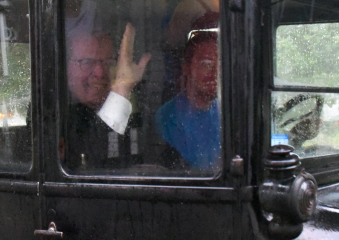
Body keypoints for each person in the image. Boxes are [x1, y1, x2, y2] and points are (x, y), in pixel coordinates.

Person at [64, 23, 151, 170]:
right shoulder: (51, 113)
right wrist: (122, 88)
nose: (100, 73)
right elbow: (94, 165)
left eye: (107, 63)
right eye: (87, 62)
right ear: (66, 68)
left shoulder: (134, 109)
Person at [154, 14, 221, 170]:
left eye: (220, 65)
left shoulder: (222, 112)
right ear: (186, 68)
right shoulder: (168, 118)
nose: (215, 73)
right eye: (206, 64)